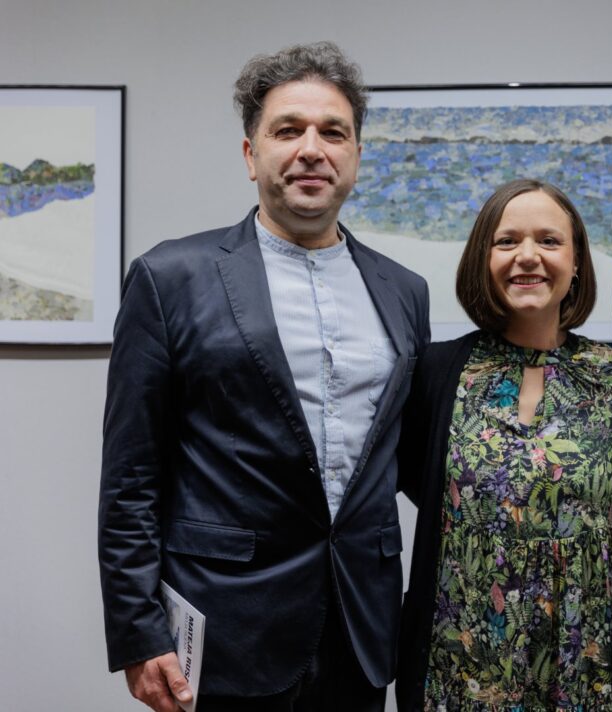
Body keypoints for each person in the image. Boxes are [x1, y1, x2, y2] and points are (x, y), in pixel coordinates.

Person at [98, 42, 429, 712]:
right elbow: (131, 475)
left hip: (363, 631)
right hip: (227, 628)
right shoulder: (170, 278)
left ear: (356, 155)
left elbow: (407, 460)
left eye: (333, 132)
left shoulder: (404, 291)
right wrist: (137, 629)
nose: (312, 149)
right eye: (288, 130)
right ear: (252, 155)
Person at [395, 179, 612, 711]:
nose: (528, 256)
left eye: (549, 241)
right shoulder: (437, 371)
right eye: (507, 241)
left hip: (579, 661)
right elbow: (414, 480)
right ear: (484, 259)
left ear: (576, 262)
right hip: (461, 661)